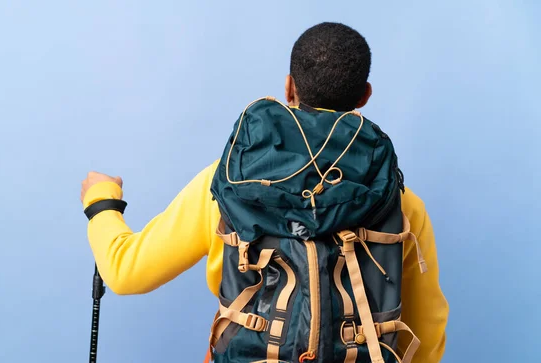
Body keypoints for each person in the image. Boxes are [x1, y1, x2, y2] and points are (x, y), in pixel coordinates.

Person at [80, 22, 449, 362]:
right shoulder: (399, 201)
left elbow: (126, 271)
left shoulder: (226, 181)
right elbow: (426, 328)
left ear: (289, 87)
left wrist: (102, 199)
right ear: (364, 96)